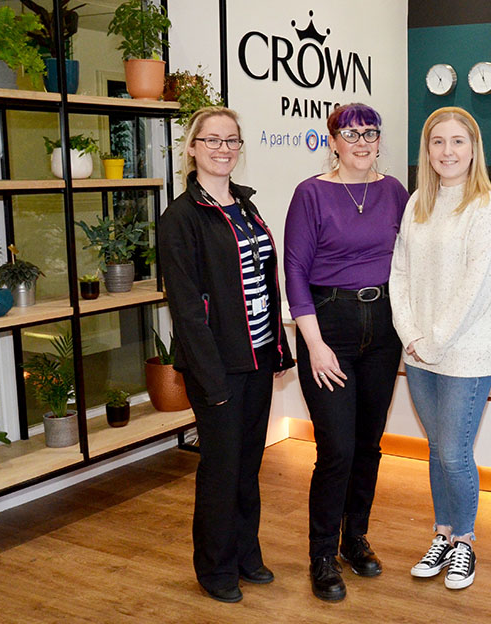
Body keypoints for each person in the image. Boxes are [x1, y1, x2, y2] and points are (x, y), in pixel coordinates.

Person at [160, 106, 293, 603]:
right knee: (220, 470)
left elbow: (263, 283)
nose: (223, 149)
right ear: (193, 148)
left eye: (231, 140)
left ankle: (245, 555)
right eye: (212, 140)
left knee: (248, 465)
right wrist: (211, 379)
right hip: (217, 366)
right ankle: (215, 569)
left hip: (256, 357)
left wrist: (276, 348)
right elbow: (186, 309)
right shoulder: (180, 218)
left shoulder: (245, 205)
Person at [284, 103, 409, 602]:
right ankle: (321, 553)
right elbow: (295, 271)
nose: (361, 142)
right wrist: (314, 345)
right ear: (332, 141)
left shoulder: (394, 191)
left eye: (369, 133)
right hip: (328, 325)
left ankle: (354, 538)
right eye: (350, 134)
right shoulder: (311, 193)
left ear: (379, 140)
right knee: (336, 448)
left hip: (383, 328)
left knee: (369, 443)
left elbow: (411, 259)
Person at [389, 106, 491, 590]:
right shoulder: (418, 202)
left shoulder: (487, 208)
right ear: (427, 150)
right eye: (438, 142)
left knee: (455, 453)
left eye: (458, 141)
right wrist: (411, 335)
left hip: (465, 354)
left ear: (474, 149)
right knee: (437, 449)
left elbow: (475, 289)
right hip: (419, 350)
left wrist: (433, 339)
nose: (448, 151)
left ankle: (464, 542)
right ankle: (442, 534)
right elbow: (399, 272)